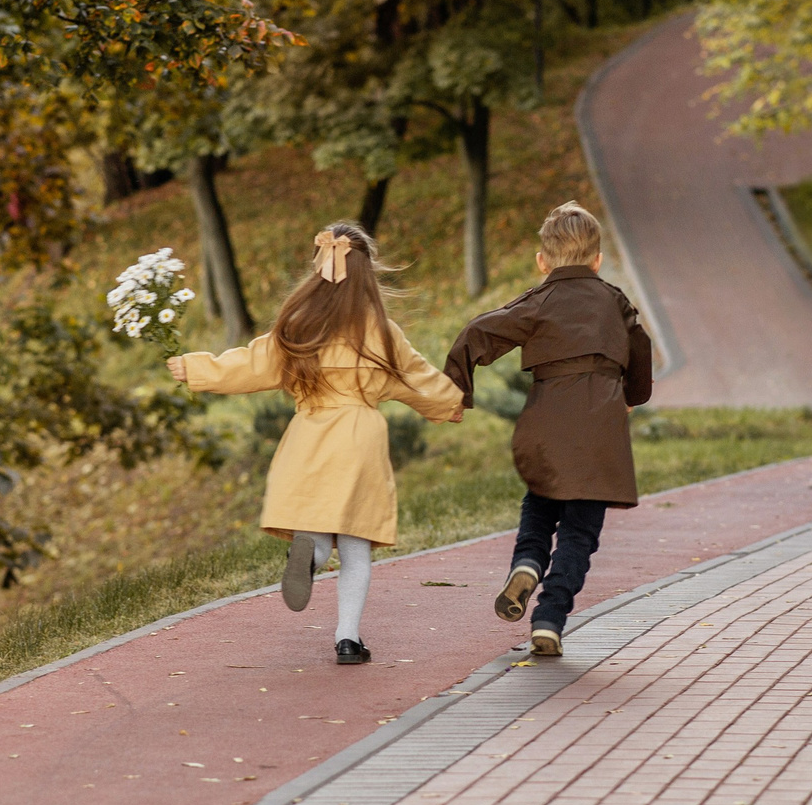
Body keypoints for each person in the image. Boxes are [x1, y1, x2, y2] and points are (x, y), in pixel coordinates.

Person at [169, 223, 463, 664]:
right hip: (360, 438)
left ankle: (310, 557)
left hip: (310, 435)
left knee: (316, 524)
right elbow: (416, 378)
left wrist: (198, 370)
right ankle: (348, 640)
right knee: (357, 544)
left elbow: (252, 363)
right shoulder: (382, 332)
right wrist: (449, 404)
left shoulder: (301, 328)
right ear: (368, 273)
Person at [442, 201, 654, 656]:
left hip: (546, 427)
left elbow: (476, 333)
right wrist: (633, 397)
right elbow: (641, 348)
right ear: (598, 260)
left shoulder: (539, 301)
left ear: (543, 261)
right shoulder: (615, 300)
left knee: (540, 504)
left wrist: (458, 391)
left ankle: (527, 564)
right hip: (599, 433)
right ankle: (550, 618)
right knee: (580, 532)